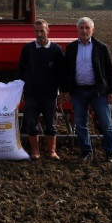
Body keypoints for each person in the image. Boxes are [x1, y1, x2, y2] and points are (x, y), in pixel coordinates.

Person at [61, 16, 112, 164]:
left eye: (87, 28)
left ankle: (110, 152)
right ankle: (86, 152)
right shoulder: (72, 48)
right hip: (78, 92)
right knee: (80, 123)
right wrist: (66, 90)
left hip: (98, 92)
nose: (84, 30)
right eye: (81, 28)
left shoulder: (101, 48)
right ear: (77, 30)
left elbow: (110, 71)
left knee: (106, 123)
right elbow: (67, 71)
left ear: (92, 30)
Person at [17, 18, 65, 160]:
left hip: (49, 94)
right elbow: (21, 69)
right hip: (31, 93)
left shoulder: (56, 50)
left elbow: (62, 72)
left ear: (47, 31)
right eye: (36, 31)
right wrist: (19, 88)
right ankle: (35, 151)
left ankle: (51, 151)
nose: (39, 34)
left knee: (51, 123)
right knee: (32, 122)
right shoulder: (28, 49)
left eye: (41, 31)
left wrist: (62, 90)